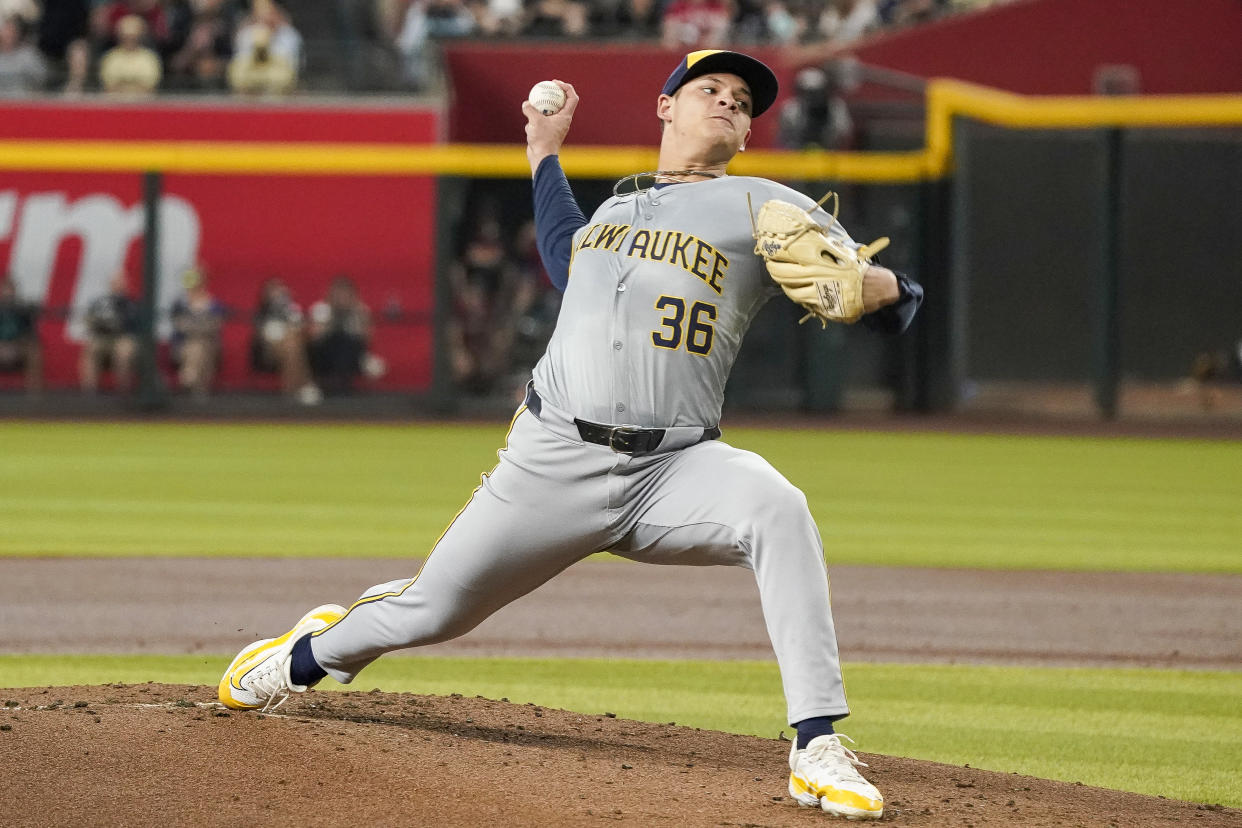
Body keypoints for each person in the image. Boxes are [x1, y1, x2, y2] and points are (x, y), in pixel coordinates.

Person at [218, 50, 922, 821]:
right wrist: (544, 154)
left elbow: (884, 296)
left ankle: (816, 745)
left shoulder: (763, 206)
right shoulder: (615, 215)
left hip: (675, 468)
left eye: (742, 99)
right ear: (666, 109)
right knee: (432, 611)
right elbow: (564, 253)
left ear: (749, 132)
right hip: (553, 463)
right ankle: (305, 657)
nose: (728, 101)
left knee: (777, 509)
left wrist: (884, 287)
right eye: (709, 88)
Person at [249, 277, 321, 404]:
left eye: (280, 290)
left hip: (293, 347)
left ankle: (290, 393)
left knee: (292, 346)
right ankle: (306, 384)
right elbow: (262, 338)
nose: (278, 293)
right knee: (291, 344)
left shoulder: (292, 310)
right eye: (274, 290)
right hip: (269, 351)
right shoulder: (262, 314)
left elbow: (303, 330)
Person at [306, 275, 381, 395]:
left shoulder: (360, 310)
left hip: (351, 354)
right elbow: (313, 337)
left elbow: (367, 339)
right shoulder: (321, 309)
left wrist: (360, 317)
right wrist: (330, 321)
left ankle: (341, 384)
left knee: (348, 342)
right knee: (337, 339)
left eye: (345, 294)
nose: (341, 297)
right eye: (338, 294)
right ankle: (329, 384)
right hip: (323, 353)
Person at [169, 266, 224, 399]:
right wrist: (200, 327)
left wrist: (195, 327)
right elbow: (179, 326)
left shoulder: (213, 304)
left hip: (210, 346)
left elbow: (215, 326)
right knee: (196, 347)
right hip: (182, 346)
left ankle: (189, 379)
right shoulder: (180, 304)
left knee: (200, 346)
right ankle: (195, 388)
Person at [80, 270, 140, 393]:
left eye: (120, 282)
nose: (117, 285)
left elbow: (134, 323)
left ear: (125, 284)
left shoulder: (131, 302)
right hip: (103, 337)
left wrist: (117, 323)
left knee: (123, 352)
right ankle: (89, 394)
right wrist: (98, 323)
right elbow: (89, 320)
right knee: (91, 349)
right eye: (114, 282)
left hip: (124, 337)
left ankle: (123, 393)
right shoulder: (99, 302)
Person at [98, 13, 162, 95]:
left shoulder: (149, 58)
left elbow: (151, 88)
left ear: (140, 36)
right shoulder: (110, 58)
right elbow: (108, 87)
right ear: (119, 36)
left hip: (144, 105)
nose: (129, 40)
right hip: (115, 104)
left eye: (133, 37)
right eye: (126, 37)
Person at [0, 274, 41, 393]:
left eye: (10, 289)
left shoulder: (23, 309)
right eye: (4, 289)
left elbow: (31, 334)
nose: (8, 293)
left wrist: (16, 344)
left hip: (18, 347)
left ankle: (35, 396)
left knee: (34, 350)